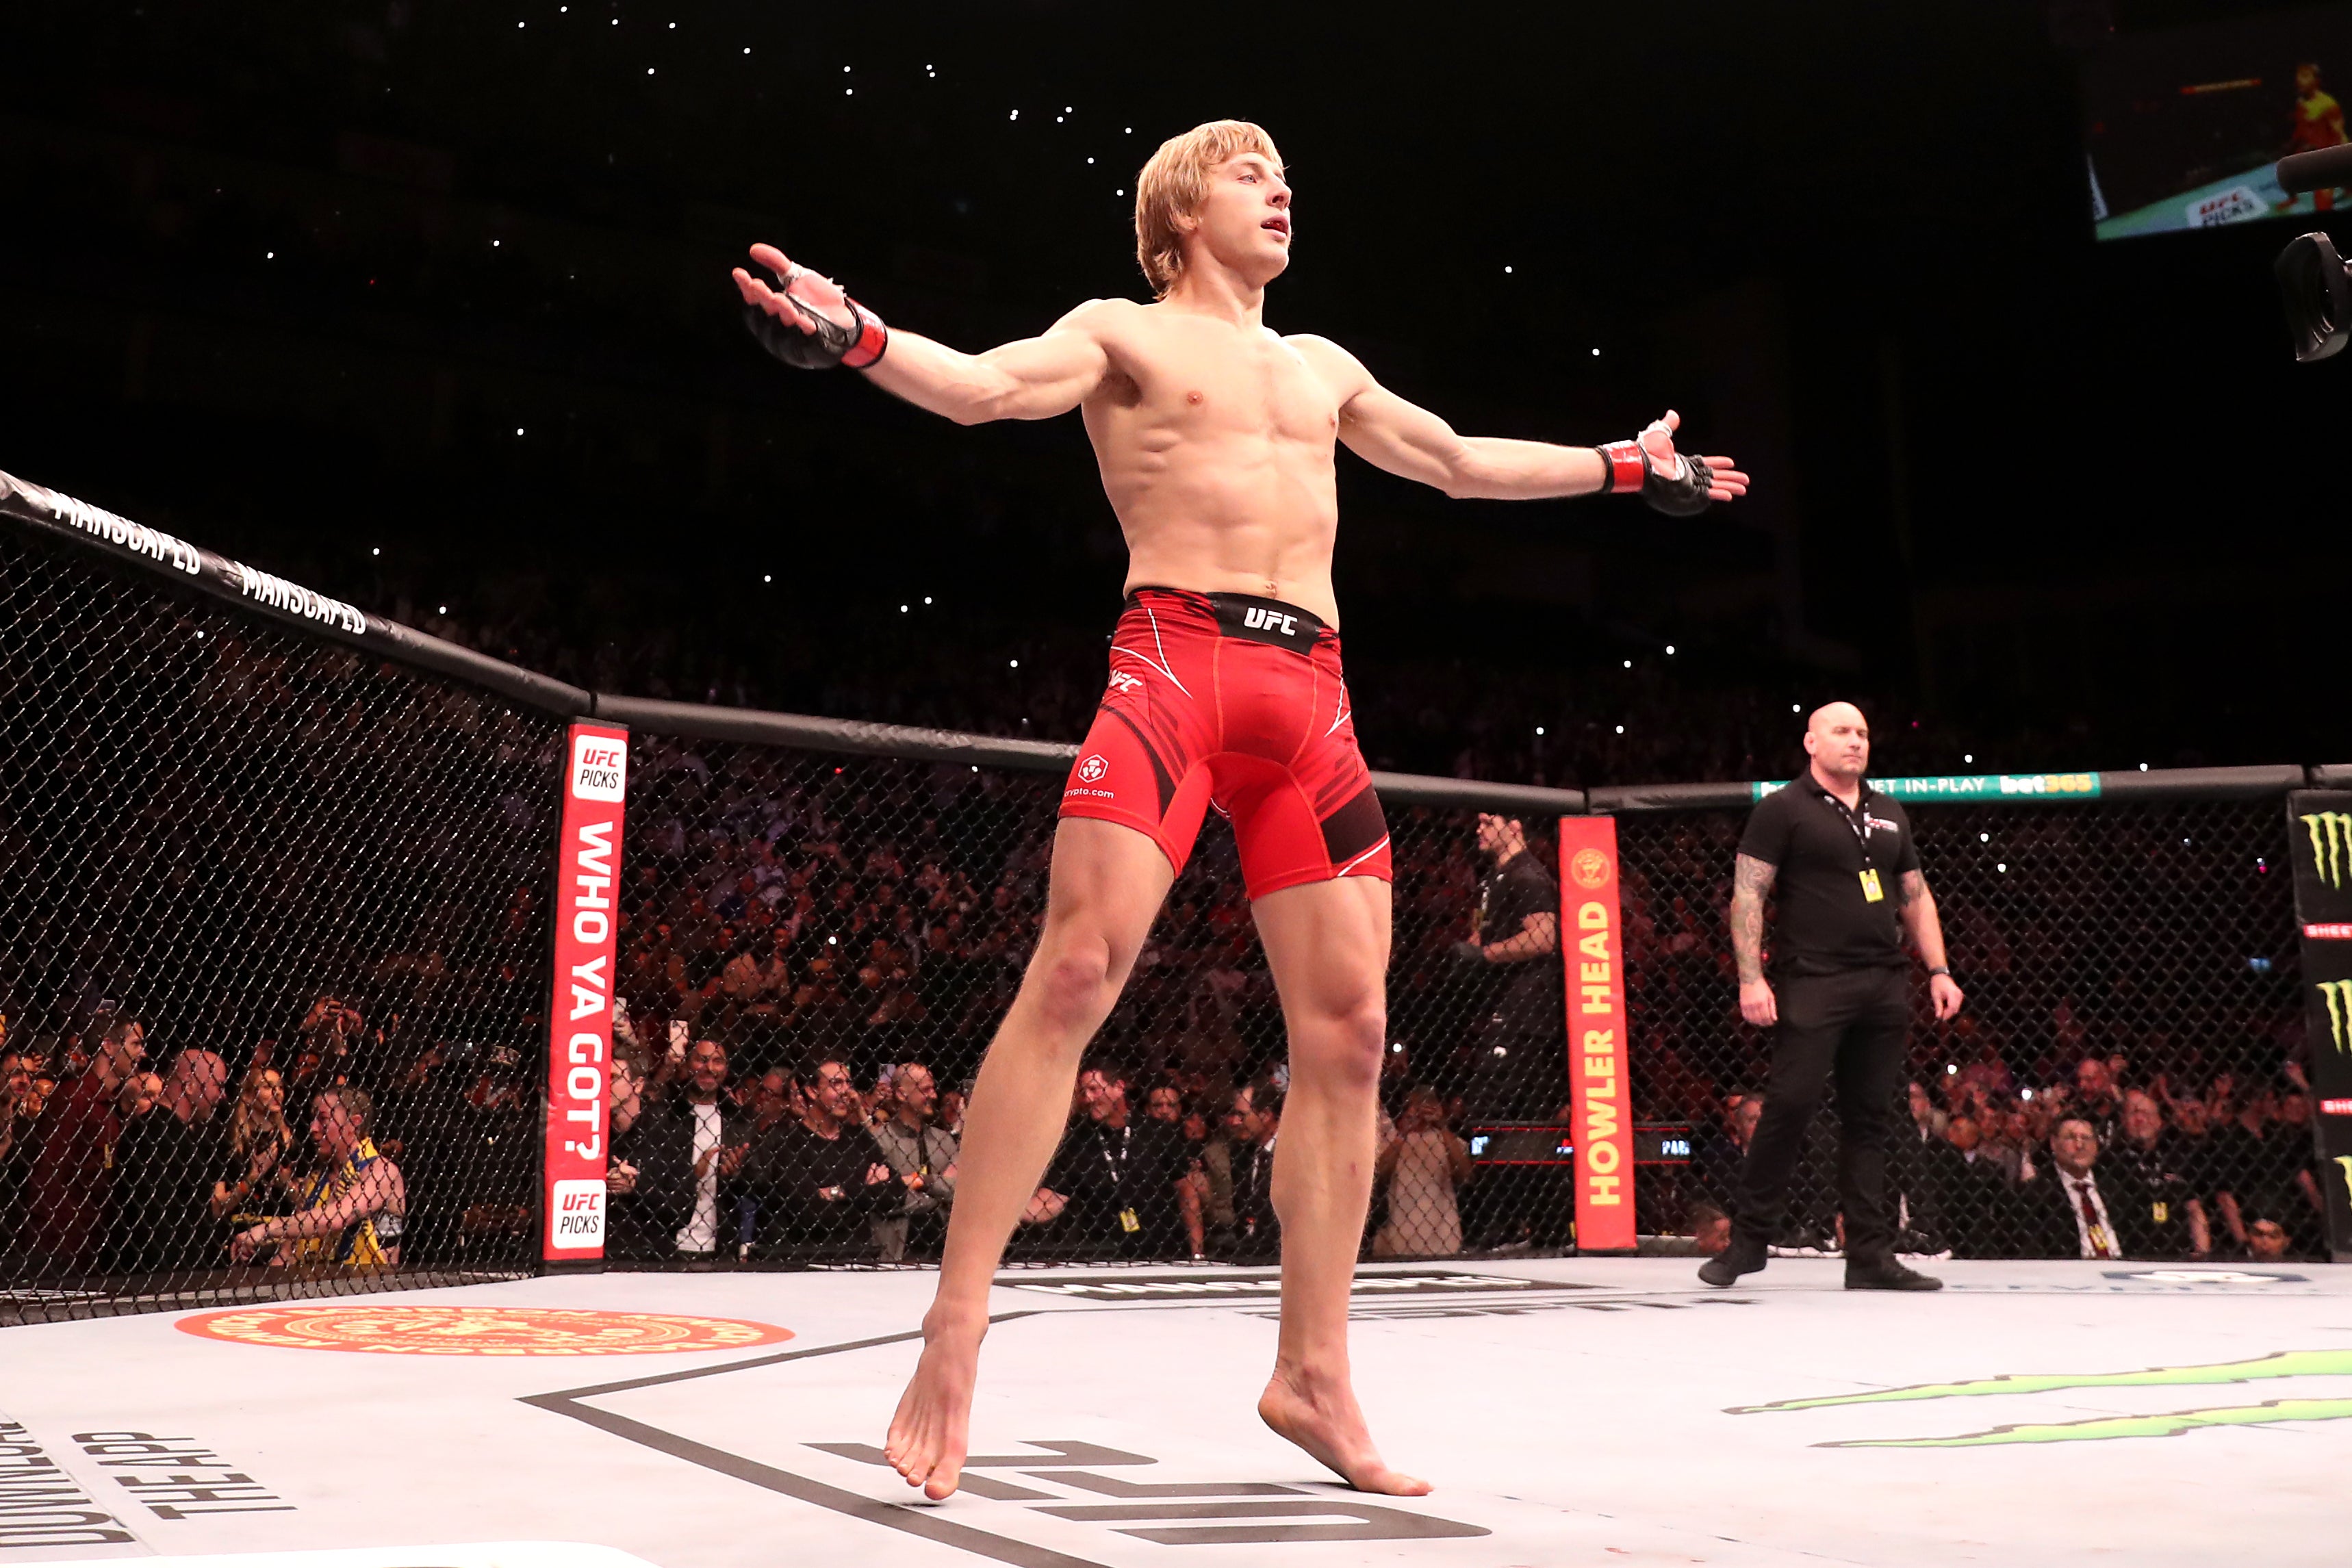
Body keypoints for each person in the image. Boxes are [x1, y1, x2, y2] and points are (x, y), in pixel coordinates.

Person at [733, 116, 1746, 1500]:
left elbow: (1452, 458)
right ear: (1176, 215)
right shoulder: (1121, 332)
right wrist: (858, 337)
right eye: (1247, 172)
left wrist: (1625, 467)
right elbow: (979, 387)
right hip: (1172, 668)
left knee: (1354, 1032)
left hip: (1311, 698)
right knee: (1077, 966)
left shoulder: (1320, 364)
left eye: (1284, 173)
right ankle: (954, 1324)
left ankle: (1312, 1369)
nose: (1280, 188)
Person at [1700, 703, 1963, 1291]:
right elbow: (1748, 896)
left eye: (1864, 732)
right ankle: (1748, 1244)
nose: (1856, 742)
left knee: (1872, 1117)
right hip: (1813, 978)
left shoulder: (1889, 812)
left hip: (1883, 979)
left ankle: (1869, 1254)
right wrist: (1751, 977)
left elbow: (1915, 896)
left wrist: (1940, 968)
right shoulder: (1782, 809)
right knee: (1789, 1104)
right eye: (1842, 731)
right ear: (1811, 742)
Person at [1451, 813, 1563, 1121]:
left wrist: (1484, 955)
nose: (1479, 829)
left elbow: (1543, 938)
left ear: (1515, 827)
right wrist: (1470, 951)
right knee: (1508, 1100)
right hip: (1501, 1000)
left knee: (1494, 1101)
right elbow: (1483, 929)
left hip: (1525, 1005)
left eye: (1489, 822)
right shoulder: (1492, 879)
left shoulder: (1527, 875)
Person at [22, 1018, 145, 1276]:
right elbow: (48, 1176)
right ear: (108, 1046)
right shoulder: (74, 1099)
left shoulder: (109, 1105)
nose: (142, 1053)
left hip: (93, 1246)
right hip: (63, 1250)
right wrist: (55, 1250)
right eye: (136, 1044)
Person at [1030, 1064, 1191, 1259]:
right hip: (1104, 1253)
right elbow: (1054, 1199)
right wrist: (1011, 1217)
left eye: (1094, 1089)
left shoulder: (1157, 1132)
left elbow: (1186, 1191)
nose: (1088, 1098)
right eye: (1084, 1092)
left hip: (1165, 1248)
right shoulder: (1077, 1142)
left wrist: (1197, 1250)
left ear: (1119, 1088)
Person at [231, 1087, 405, 1267]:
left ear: (354, 1123)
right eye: (313, 1119)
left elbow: (336, 1218)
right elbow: (287, 1253)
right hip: (318, 1286)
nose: (313, 1128)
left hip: (374, 1287)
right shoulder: (316, 1180)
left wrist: (265, 1230)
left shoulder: (381, 1171)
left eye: (323, 1119)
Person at [745, 1055, 891, 1257]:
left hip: (860, 1254)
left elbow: (895, 1193)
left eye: (848, 1083)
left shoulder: (858, 1137)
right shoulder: (789, 1145)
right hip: (808, 1258)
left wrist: (836, 1192)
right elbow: (811, 1216)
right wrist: (866, 1189)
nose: (846, 1092)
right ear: (812, 1091)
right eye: (836, 1084)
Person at [102, 1049, 231, 1275]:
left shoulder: (176, 1132)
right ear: (189, 1086)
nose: (222, 1096)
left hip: (185, 1274)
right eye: (217, 1086)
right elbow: (151, 1221)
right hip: (160, 1279)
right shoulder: (155, 1135)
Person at [869, 1062, 958, 1262]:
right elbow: (885, 1198)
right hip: (897, 1250)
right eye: (926, 1089)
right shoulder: (881, 1140)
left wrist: (920, 1182)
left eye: (933, 1088)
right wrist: (941, 1189)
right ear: (902, 1094)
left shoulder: (944, 1140)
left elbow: (961, 1190)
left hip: (944, 1248)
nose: (934, 1096)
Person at [1371, 1085, 1472, 1257]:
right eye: (1417, 1106)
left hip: (1444, 1238)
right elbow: (1379, 1173)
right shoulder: (1395, 1141)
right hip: (1400, 1238)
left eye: (1428, 1105)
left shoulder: (1448, 1141)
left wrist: (1442, 1126)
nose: (1422, 1112)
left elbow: (1465, 1174)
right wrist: (1404, 1132)